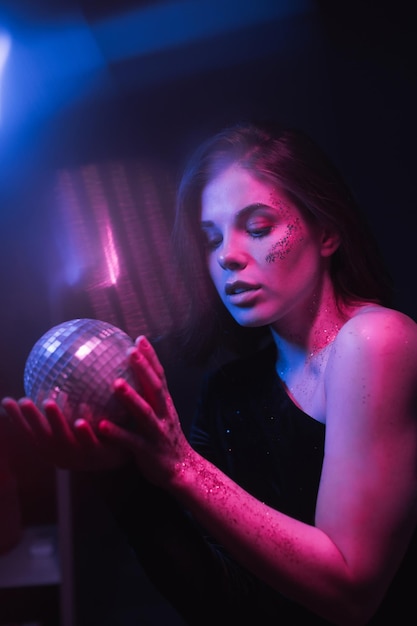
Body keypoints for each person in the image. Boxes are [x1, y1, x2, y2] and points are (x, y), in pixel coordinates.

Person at [2, 121, 417, 625]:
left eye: (259, 227)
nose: (228, 256)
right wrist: (118, 475)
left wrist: (182, 468)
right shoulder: (229, 394)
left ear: (327, 232)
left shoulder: (376, 340)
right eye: (211, 237)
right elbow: (221, 602)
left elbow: (353, 593)